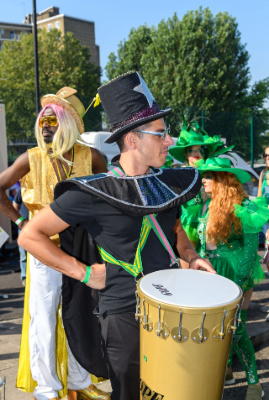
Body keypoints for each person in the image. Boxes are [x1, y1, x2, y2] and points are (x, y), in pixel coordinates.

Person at [18, 71, 216, 400]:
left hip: (173, 303)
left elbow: (176, 228)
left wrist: (192, 256)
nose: (170, 140)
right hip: (124, 313)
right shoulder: (94, 191)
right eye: (161, 133)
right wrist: (81, 272)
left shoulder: (168, 182)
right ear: (133, 139)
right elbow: (30, 235)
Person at [0, 87, 109, 400]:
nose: (45, 125)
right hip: (43, 250)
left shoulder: (92, 157)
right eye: (43, 120)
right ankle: (47, 390)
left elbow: (110, 193)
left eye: (53, 120)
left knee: (80, 314)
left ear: (69, 123)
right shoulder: (30, 159)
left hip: (83, 249)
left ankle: (79, 381)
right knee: (45, 317)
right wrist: (21, 222)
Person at [195, 156, 267, 400]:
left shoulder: (243, 208)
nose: (203, 180)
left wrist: (237, 285)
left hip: (235, 276)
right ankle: (222, 375)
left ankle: (254, 384)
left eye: (209, 176)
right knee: (211, 331)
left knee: (236, 331)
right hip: (210, 276)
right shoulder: (205, 206)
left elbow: (249, 252)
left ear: (222, 180)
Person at [13, 187, 29, 286]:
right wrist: (19, 223)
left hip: (39, 229)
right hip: (22, 229)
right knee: (24, 255)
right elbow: (15, 207)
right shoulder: (23, 189)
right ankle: (24, 277)